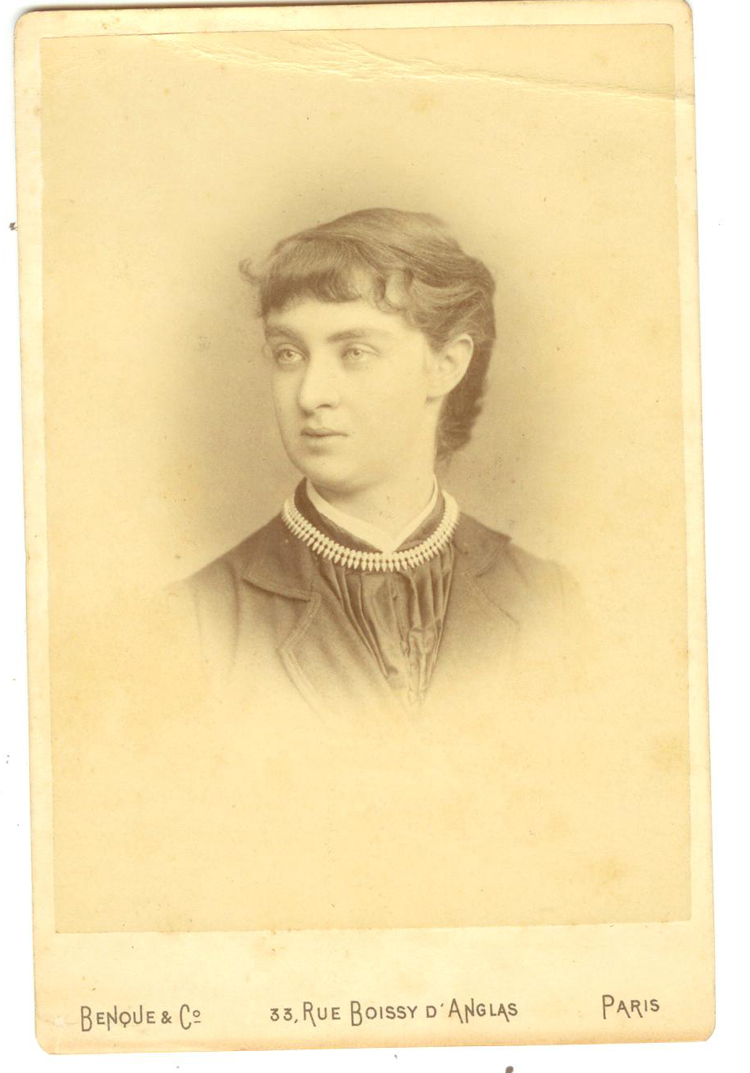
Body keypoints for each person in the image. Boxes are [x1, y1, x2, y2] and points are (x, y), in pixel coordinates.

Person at [182, 208, 580, 724]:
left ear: (446, 365)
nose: (310, 394)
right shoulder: (198, 620)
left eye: (355, 352)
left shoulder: (547, 601)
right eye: (288, 354)